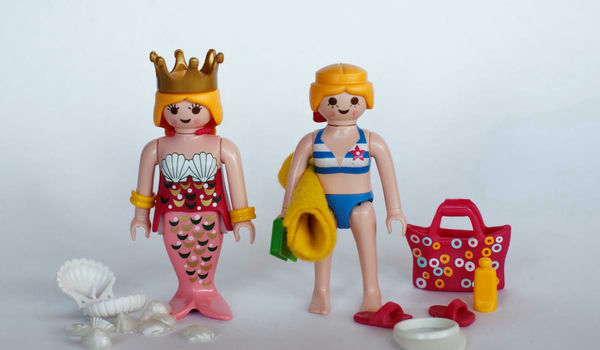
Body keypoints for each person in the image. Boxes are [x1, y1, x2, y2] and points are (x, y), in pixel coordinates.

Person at [130, 49, 255, 320]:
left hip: (210, 213)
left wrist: (242, 218)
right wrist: (140, 216)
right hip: (173, 215)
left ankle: (206, 291)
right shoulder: (155, 147)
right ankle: (186, 291)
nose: (184, 115)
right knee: (180, 249)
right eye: (174, 109)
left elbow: (236, 185)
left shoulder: (223, 146)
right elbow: (144, 188)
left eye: (195, 108)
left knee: (206, 251)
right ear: (162, 110)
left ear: (212, 108)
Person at [280, 63, 407, 314]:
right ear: (317, 102)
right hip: (324, 205)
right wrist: (286, 211)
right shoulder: (311, 141)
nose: (343, 106)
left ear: (366, 100)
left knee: (366, 233)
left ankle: (372, 291)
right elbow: (295, 177)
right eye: (332, 100)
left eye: (354, 99)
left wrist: (395, 211)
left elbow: (388, 177)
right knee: (321, 242)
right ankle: (321, 292)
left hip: (360, 204)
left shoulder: (371, 141)